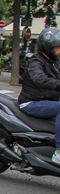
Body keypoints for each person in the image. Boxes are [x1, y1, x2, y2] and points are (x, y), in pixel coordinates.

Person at [17, 27, 60, 164]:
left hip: (47, 99)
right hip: (31, 102)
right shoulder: (36, 62)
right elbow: (40, 79)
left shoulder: (54, 62)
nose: (59, 51)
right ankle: (59, 152)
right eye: (57, 48)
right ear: (48, 47)